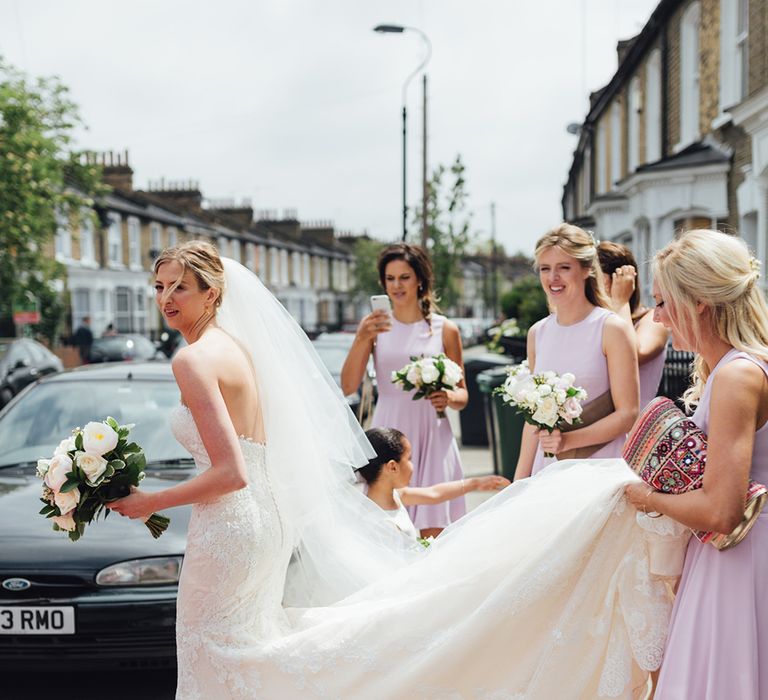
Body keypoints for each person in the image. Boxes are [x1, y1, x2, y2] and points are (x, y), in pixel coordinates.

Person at [625, 229, 768, 699]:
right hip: (730, 556)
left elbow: (722, 512)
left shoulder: (737, 375)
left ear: (699, 302)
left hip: (738, 560)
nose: (660, 318)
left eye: (664, 303)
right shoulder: (730, 369)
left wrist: (644, 496)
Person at [341, 242, 468, 538]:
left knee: (435, 534)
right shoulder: (375, 327)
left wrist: (449, 397)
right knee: (386, 531)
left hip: (433, 435)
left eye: (404, 277)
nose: (397, 285)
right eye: (390, 278)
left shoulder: (445, 329)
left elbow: (463, 396)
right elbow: (348, 385)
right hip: (390, 435)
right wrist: (362, 338)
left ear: (420, 279)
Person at [514, 224, 640, 479]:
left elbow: (628, 413)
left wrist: (568, 441)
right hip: (547, 469)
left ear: (586, 270)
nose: (553, 278)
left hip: (599, 468)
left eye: (564, 267)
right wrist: (517, 483)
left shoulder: (611, 328)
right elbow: (532, 420)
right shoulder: (537, 333)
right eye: (545, 269)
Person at [358, 427, 509, 541]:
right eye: (409, 459)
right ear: (393, 467)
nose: (412, 465)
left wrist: (476, 483)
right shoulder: (379, 523)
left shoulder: (395, 495)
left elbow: (434, 493)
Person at [598, 241, 669, 410]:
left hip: (635, 427)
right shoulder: (598, 323)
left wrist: (621, 302)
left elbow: (634, 354)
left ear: (617, 278)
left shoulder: (652, 319)